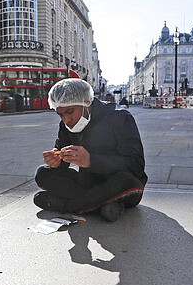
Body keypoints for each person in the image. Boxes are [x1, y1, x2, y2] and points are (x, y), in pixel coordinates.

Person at [33, 78, 148, 222]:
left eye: (70, 111)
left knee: (125, 181)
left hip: (119, 183)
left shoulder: (120, 117)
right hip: (87, 183)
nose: (66, 120)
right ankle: (101, 205)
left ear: (86, 102)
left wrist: (91, 160)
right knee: (42, 173)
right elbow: (62, 154)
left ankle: (68, 206)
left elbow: (135, 166)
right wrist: (57, 162)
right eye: (60, 114)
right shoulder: (65, 125)